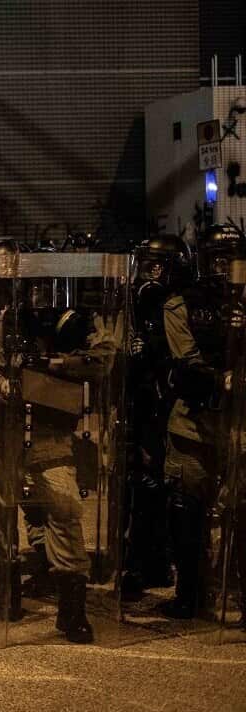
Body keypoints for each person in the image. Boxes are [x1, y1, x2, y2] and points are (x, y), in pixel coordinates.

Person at [0, 245, 122, 643]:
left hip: (51, 436)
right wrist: (5, 385)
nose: (41, 297)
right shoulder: (3, 327)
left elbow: (105, 360)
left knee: (64, 509)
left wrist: (57, 365)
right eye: (33, 288)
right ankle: (9, 590)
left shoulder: (78, 326)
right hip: (3, 435)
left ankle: (72, 609)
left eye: (46, 288)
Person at [160, 224, 246, 621]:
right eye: (217, 259)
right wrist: (222, 377)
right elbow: (187, 361)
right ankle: (191, 592)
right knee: (186, 510)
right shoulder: (182, 304)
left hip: (239, 427)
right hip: (194, 424)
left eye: (231, 259)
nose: (224, 267)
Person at [120, 235, 188, 599]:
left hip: (164, 407)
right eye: (144, 265)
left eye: (155, 267)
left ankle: (156, 561)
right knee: (138, 483)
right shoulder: (137, 306)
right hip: (138, 404)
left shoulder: (178, 308)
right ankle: (138, 561)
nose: (147, 276)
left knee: (159, 484)